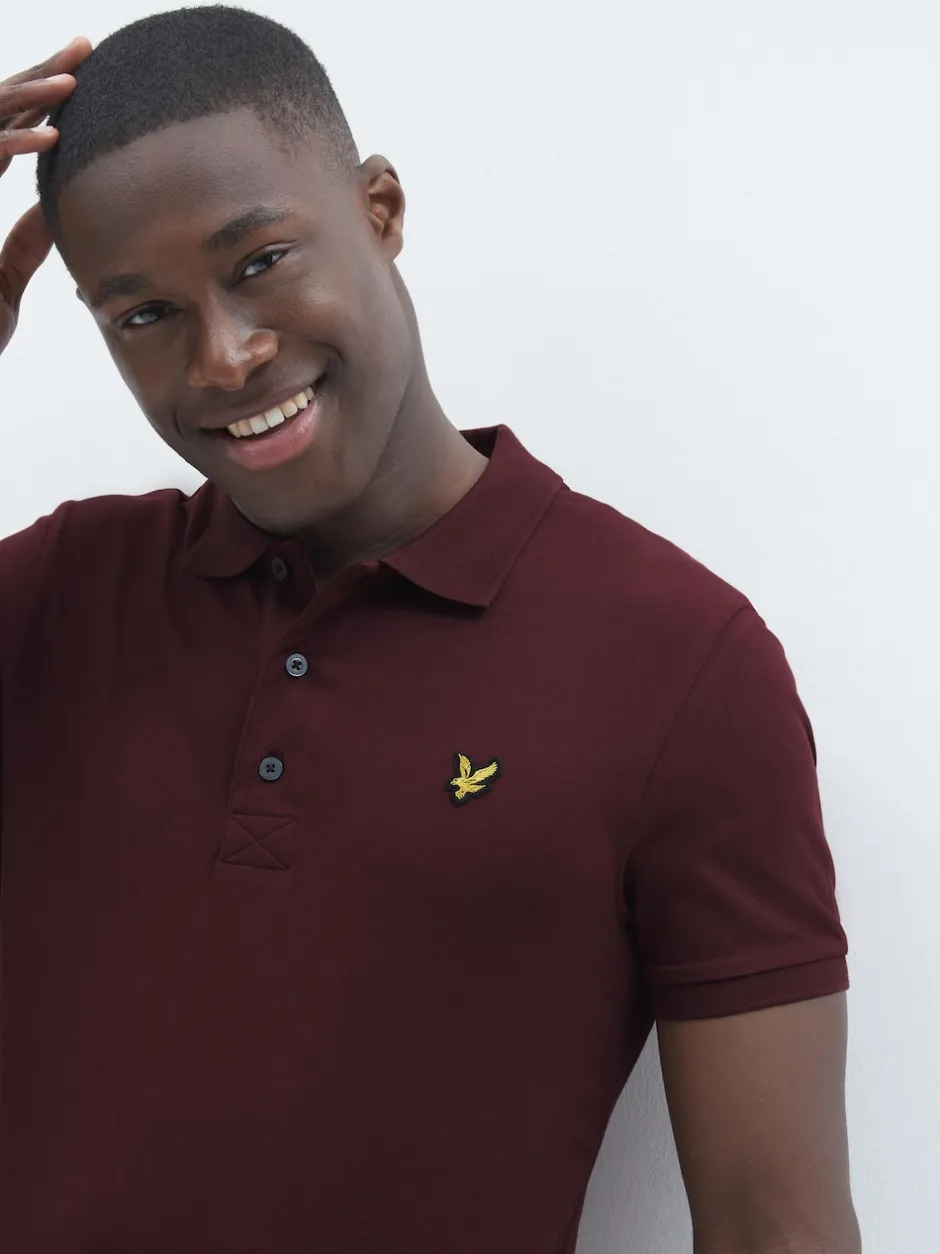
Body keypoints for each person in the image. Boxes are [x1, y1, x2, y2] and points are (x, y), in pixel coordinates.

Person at [0, 7, 860, 1253]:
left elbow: (775, 1228)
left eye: (261, 261)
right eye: (144, 315)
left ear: (381, 211)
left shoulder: (679, 665)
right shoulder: (55, 596)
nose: (225, 358)